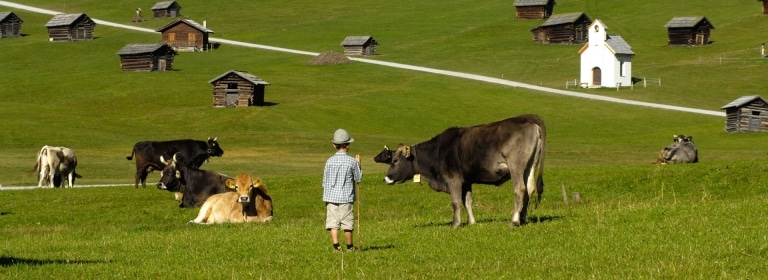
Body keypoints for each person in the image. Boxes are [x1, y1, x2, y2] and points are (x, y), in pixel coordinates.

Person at [322, 128, 362, 252]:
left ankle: (336, 246)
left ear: (334, 145)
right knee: (347, 223)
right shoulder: (351, 162)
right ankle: (350, 247)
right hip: (346, 197)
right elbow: (358, 178)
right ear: (348, 145)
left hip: (330, 196)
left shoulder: (329, 161)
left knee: (333, 222)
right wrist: (359, 164)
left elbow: (324, 180)